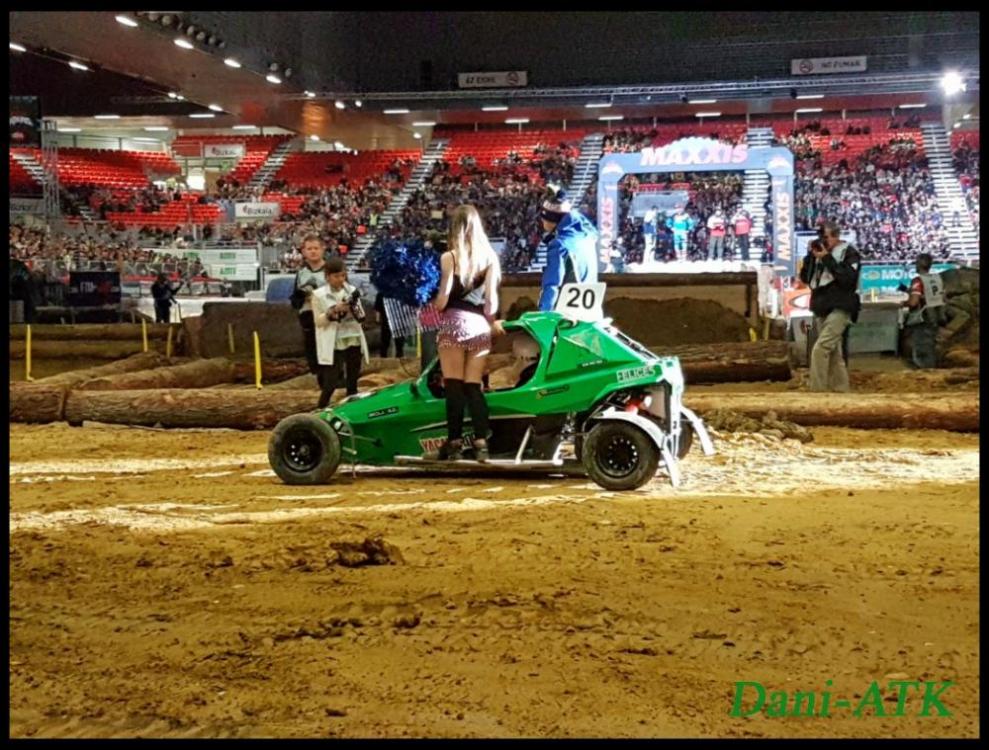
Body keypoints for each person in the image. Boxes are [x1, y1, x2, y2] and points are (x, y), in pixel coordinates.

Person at [428, 205, 502, 461]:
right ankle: (481, 442)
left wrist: (430, 300)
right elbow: (492, 304)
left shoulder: (450, 257)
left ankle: (455, 442)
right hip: (480, 326)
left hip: (453, 325)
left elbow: (442, 300)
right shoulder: (490, 258)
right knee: (475, 386)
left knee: (454, 386)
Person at [798, 221, 862, 392]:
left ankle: (816, 392)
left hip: (841, 305)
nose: (822, 240)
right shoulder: (817, 254)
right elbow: (805, 278)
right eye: (820, 237)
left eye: (825, 237)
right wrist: (810, 257)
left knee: (820, 349)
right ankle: (841, 391)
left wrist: (827, 258)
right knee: (834, 354)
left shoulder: (849, 252)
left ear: (835, 236)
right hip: (821, 306)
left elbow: (848, 280)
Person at [311, 257, 369, 409]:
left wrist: (353, 310)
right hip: (334, 341)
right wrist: (334, 311)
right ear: (328, 276)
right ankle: (320, 410)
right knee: (330, 382)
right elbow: (318, 321)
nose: (340, 279)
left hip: (353, 337)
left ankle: (352, 411)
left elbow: (361, 316)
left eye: (343, 275)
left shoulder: (351, 291)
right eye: (336, 276)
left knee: (353, 380)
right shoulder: (318, 295)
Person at [537, 188, 598, 311]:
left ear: (551, 220)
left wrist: (544, 313)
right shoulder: (587, 237)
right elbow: (581, 221)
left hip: (567, 315)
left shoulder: (559, 245)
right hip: (591, 311)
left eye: (543, 219)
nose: (542, 222)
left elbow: (552, 284)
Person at [289, 235, 328, 375]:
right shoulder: (301, 273)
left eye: (316, 248)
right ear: (304, 252)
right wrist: (301, 295)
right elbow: (295, 299)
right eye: (309, 249)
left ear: (323, 249)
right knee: (311, 346)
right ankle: (316, 374)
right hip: (308, 314)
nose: (313, 252)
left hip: (328, 315)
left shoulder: (331, 270)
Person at [902, 253, 946, 369]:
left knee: (921, 348)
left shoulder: (917, 281)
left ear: (919, 264)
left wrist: (903, 303)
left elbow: (913, 302)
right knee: (930, 345)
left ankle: (926, 373)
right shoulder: (936, 278)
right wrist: (908, 291)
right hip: (936, 315)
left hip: (922, 317)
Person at [374, 290, 404, 358]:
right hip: (386, 320)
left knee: (399, 343)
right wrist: (377, 319)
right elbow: (377, 308)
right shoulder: (381, 293)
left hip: (399, 321)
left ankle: (400, 358)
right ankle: (383, 358)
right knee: (385, 342)